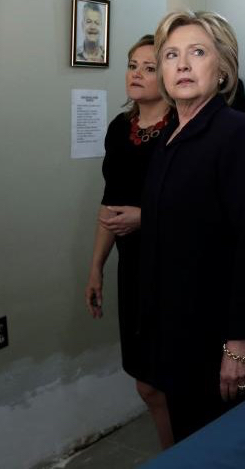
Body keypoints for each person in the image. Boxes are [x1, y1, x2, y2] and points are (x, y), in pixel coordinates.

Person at [138, 10, 245, 442]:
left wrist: (238, 345)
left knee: (228, 447)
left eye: (197, 52)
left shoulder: (238, 135)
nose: (182, 65)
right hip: (178, 331)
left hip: (219, 339)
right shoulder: (168, 140)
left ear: (222, 68)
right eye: (171, 55)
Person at [84, 35, 176, 449]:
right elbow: (110, 205)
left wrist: (148, 218)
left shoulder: (182, 128)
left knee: (175, 381)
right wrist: (96, 268)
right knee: (147, 385)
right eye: (132, 65)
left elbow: (204, 207)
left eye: (149, 67)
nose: (136, 74)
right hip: (133, 268)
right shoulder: (119, 129)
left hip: (174, 267)